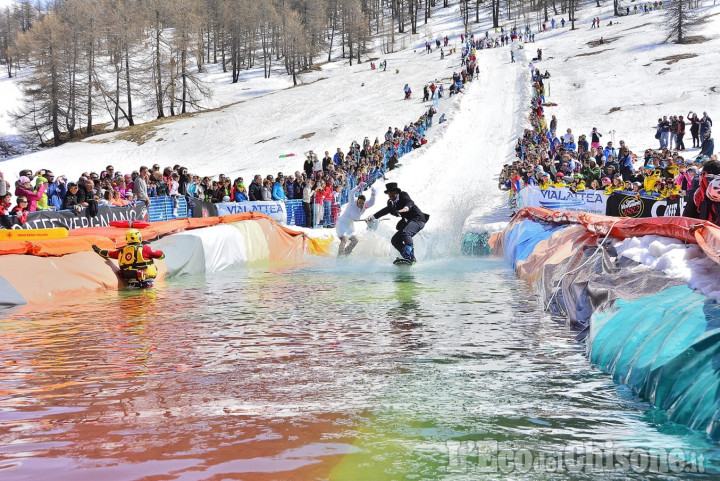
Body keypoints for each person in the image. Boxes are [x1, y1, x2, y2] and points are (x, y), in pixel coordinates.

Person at [366, 182, 429, 263]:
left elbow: (410, 202)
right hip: (409, 222)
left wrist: (405, 209)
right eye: (389, 194)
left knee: (406, 232)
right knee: (395, 240)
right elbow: (384, 211)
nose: (391, 195)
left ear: (397, 192)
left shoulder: (403, 195)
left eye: (392, 193)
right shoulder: (391, 203)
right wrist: (371, 217)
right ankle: (408, 257)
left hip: (418, 220)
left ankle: (409, 255)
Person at [92, 229, 165, 287]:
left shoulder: (121, 251)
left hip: (130, 284)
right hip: (147, 284)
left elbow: (108, 254)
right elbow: (161, 256)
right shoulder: (145, 249)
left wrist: (97, 250)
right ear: (139, 238)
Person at [335, 183, 376, 257]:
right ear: (357, 200)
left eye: (362, 203)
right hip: (342, 223)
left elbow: (372, 202)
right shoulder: (352, 202)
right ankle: (339, 257)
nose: (360, 204)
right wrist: (359, 187)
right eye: (359, 202)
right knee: (344, 239)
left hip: (349, 224)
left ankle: (345, 255)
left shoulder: (365, 206)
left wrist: (373, 192)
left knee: (355, 241)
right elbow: (351, 192)